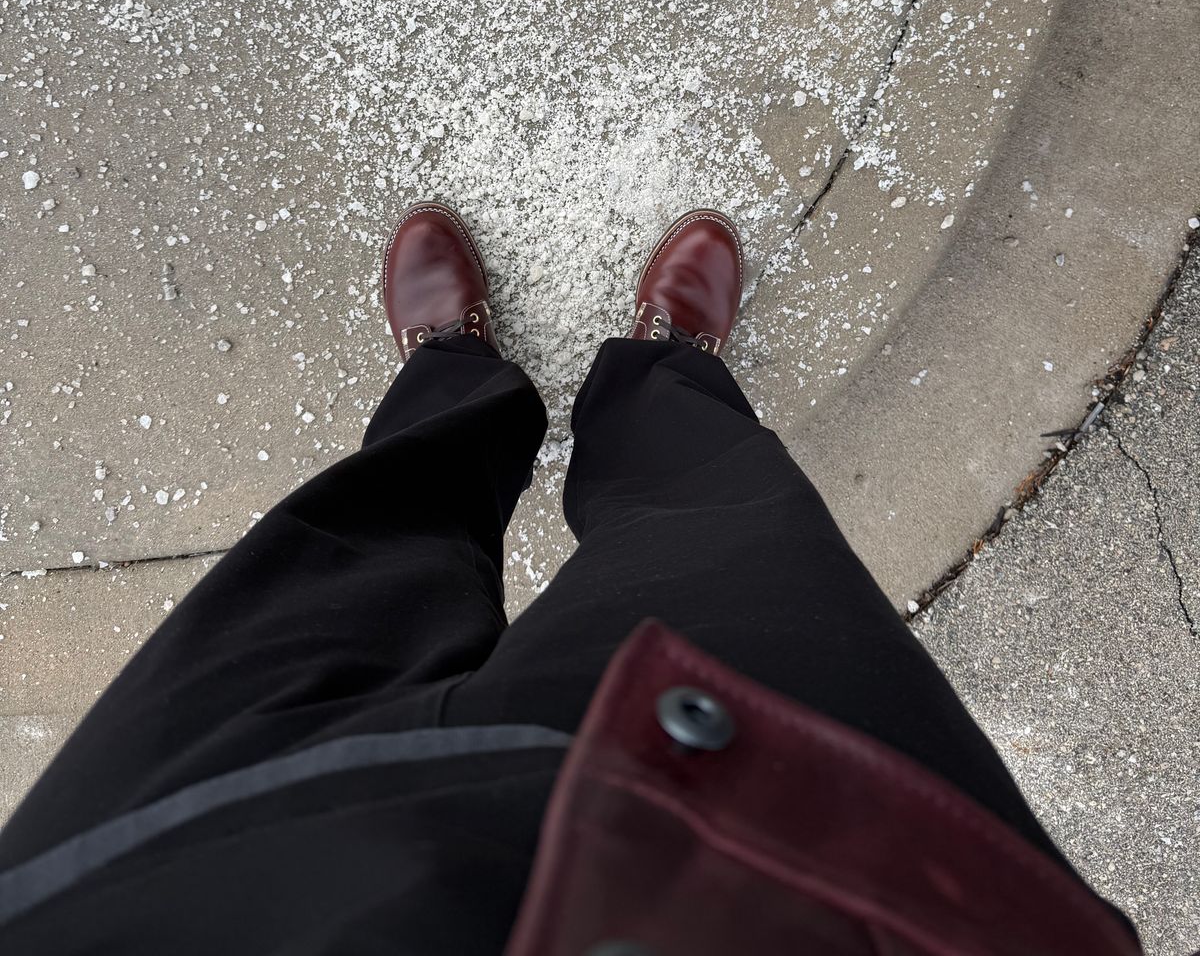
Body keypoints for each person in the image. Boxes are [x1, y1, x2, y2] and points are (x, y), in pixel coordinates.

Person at [0, 203, 1140, 955]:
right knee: (719, 528)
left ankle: (454, 372)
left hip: (169, 868)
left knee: (365, 537)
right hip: (800, 876)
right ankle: (663, 374)